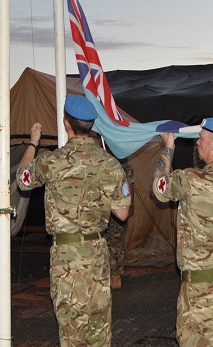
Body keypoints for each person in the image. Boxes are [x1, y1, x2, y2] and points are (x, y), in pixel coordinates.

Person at [17, 95, 132, 347]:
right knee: (99, 323)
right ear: (91, 125)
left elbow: (23, 180)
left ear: (66, 123)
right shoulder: (110, 164)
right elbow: (122, 214)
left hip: (66, 255)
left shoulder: (52, 161)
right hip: (98, 253)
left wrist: (33, 143)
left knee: (72, 327)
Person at [152, 118, 213, 347]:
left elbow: (160, 187)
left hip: (204, 291)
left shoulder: (190, 179)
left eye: (202, 138)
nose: (197, 143)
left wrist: (168, 146)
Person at [106, 158, 135, 290]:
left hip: (120, 207)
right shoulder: (104, 161)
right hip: (105, 208)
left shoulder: (125, 165)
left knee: (117, 240)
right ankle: (105, 273)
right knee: (104, 240)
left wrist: (131, 205)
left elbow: (130, 186)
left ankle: (115, 274)